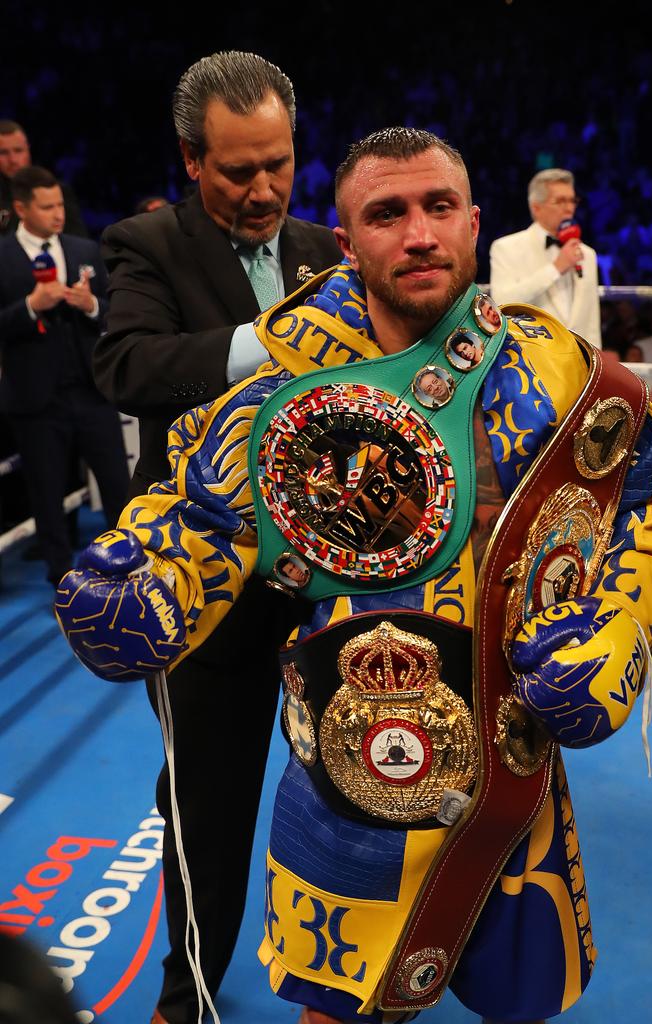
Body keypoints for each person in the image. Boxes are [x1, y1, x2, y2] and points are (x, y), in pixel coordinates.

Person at [56, 128, 652, 1024]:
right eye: (387, 214)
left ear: (475, 223)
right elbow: (204, 516)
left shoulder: (566, 379)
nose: (420, 234)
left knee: (519, 1001)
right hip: (351, 767)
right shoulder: (286, 388)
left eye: (439, 208)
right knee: (339, 1011)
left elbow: (647, 511)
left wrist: (614, 636)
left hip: (514, 751)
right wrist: (149, 583)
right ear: (347, 242)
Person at [91, 51, 340, 1024]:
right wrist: (278, 338)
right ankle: (183, 996)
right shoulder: (146, 244)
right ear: (193, 159)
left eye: (278, 162)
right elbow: (129, 365)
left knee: (355, 784)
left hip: (333, 575)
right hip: (209, 580)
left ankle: (348, 989)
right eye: (240, 170)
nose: (265, 188)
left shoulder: (327, 242)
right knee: (209, 804)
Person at [0, 166, 128, 585]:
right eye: (47, 206)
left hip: (90, 390)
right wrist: (31, 306)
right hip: (35, 399)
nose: (58, 213)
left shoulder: (82, 249)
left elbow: (111, 309)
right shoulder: (2, 256)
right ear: (21, 208)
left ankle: (126, 568)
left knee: (115, 484)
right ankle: (62, 579)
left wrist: (91, 305)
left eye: (59, 204)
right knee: (47, 494)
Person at [489, 168, 602, 347]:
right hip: (531, 359)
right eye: (560, 201)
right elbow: (503, 302)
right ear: (536, 207)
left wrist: (597, 363)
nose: (569, 208)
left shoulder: (587, 254)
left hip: (579, 361)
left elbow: (591, 320)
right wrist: (556, 268)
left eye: (572, 200)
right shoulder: (506, 248)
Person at [0, 120, 87, 237]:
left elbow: (78, 238)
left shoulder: (55, 191)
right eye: (3, 153)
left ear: (28, 150)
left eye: (18, 150)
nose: (13, 160)